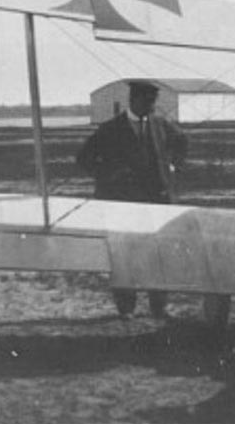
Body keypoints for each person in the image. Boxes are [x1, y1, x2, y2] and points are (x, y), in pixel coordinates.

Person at [76, 80, 188, 318]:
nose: (152, 106)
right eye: (148, 101)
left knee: (158, 254)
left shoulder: (160, 125)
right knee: (124, 255)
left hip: (157, 202)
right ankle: (126, 308)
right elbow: (84, 158)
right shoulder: (110, 129)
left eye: (153, 101)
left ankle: (159, 306)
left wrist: (173, 166)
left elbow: (182, 141)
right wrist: (109, 176)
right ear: (133, 100)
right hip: (122, 203)